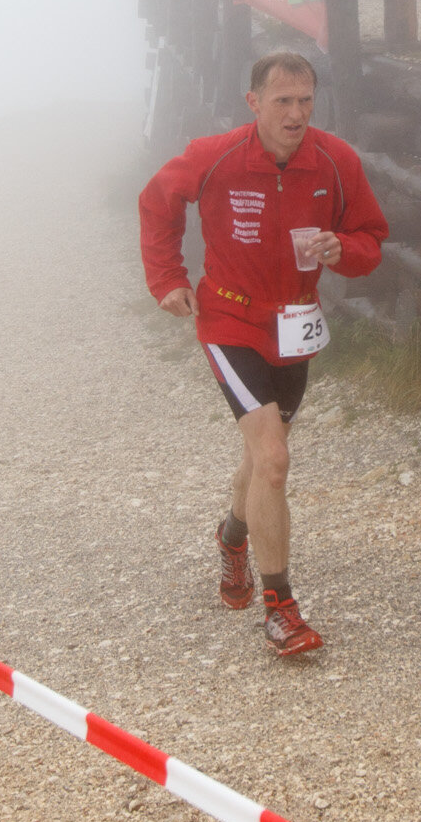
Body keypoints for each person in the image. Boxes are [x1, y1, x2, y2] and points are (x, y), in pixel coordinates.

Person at [137, 51, 387, 657]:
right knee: (274, 458)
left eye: (305, 101)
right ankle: (281, 608)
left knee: (261, 456)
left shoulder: (336, 159)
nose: (296, 114)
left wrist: (341, 251)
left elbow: (370, 239)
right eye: (283, 101)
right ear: (254, 103)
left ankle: (232, 537)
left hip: (295, 325)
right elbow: (156, 201)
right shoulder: (215, 155)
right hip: (228, 319)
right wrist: (167, 277)